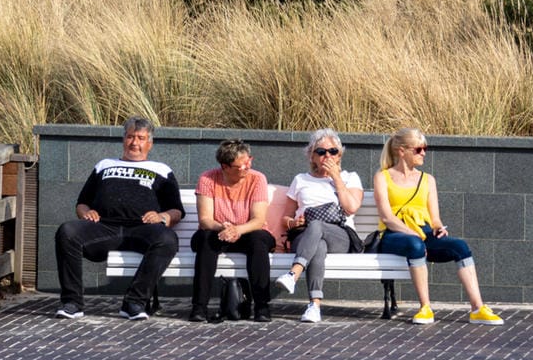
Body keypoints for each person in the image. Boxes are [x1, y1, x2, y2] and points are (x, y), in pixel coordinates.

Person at [55, 117, 183, 320]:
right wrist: (85, 213)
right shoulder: (104, 165)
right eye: (130, 137)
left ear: (149, 143)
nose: (135, 143)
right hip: (105, 228)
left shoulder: (162, 170)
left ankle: (135, 302)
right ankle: (72, 302)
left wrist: (162, 216)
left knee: (167, 239)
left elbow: (176, 210)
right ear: (124, 139)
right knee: (67, 232)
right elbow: (82, 202)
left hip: (142, 230)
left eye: (141, 138)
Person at [372, 128, 502, 325]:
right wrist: (413, 234)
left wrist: (439, 227)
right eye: (418, 149)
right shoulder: (383, 177)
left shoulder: (427, 180)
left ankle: (477, 308)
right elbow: (387, 217)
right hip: (394, 234)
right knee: (414, 245)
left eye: (425, 148)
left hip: (423, 232)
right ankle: (425, 307)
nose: (423, 153)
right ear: (401, 151)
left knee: (460, 246)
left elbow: (435, 218)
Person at [275, 128, 363, 323]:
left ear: (339, 155)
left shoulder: (350, 177)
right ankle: (314, 306)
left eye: (332, 151)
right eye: (321, 152)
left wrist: (336, 178)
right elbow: (286, 218)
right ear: (311, 156)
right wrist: (293, 222)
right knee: (318, 245)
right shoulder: (300, 180)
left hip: (341, 236)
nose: (327, 156)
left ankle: (293, 274)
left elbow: (351, 208)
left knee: (317, 225)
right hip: (305, 236)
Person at [189, 139, 274, 323]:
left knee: (259, 240)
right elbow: (205, 220)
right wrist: (223, 228)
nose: (246, 167)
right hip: (219, 231)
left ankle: (262, 306)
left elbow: (258, 220)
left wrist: (237, 230)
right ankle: (199, 307)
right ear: (225, 166)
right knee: (205, 238)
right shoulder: (207, 179)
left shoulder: (257, 179)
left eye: (248, 161)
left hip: (248, 231)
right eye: (240, 165)